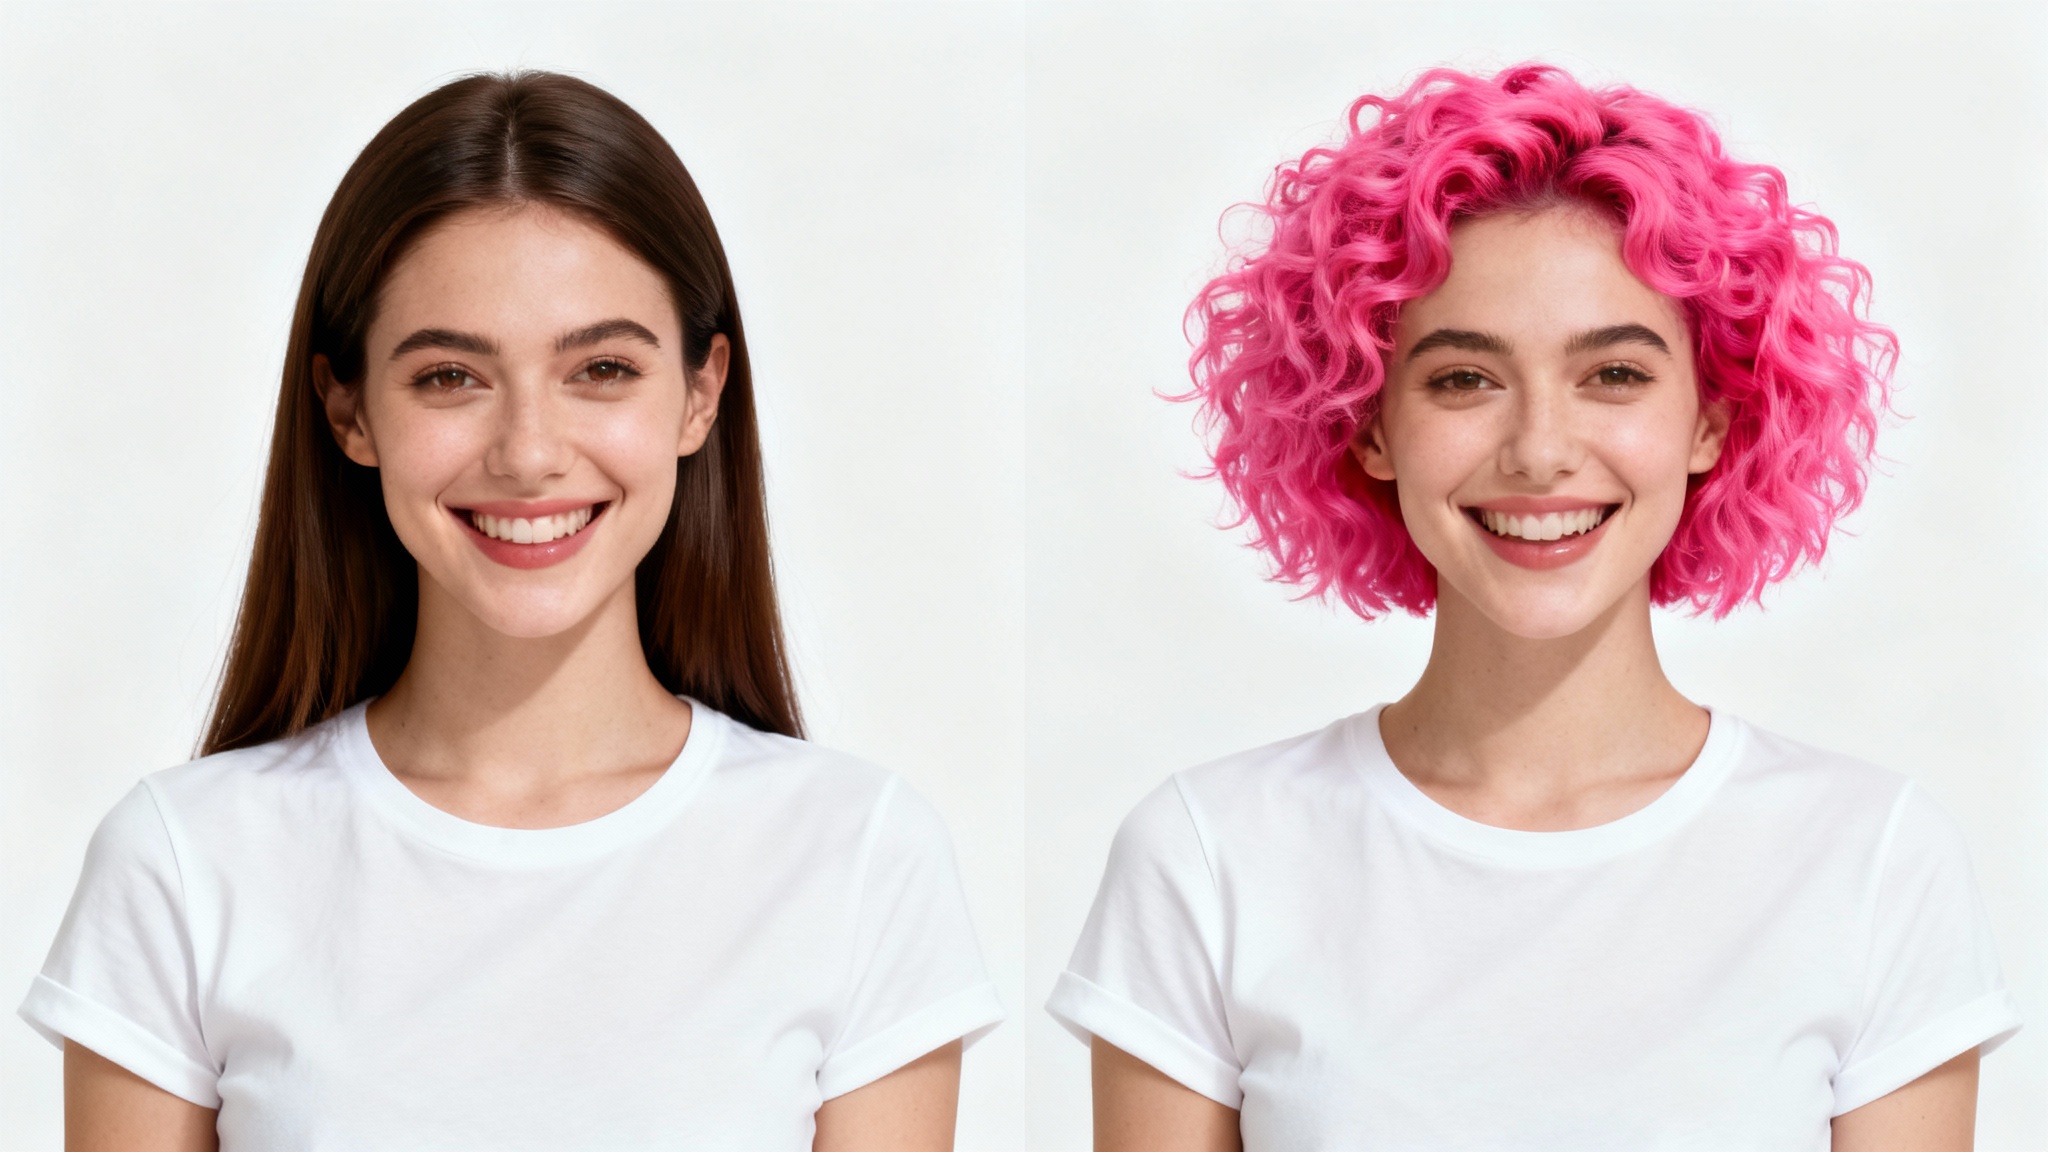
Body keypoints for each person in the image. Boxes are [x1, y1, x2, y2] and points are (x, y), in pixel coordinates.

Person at [21, 71, 1002, 1151]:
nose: (529, 453)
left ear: (699, 393)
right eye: (449, 377)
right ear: (348, 409)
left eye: (602, 369)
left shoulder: (854, 855)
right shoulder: (184, 863)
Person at [1049, 64, 2018, 1151]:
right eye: (1463, 378)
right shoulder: (1210, 854)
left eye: (1612, 375)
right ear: (1365, 424)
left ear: (1711, 420)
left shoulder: (1868, 858)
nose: (1541, 451)